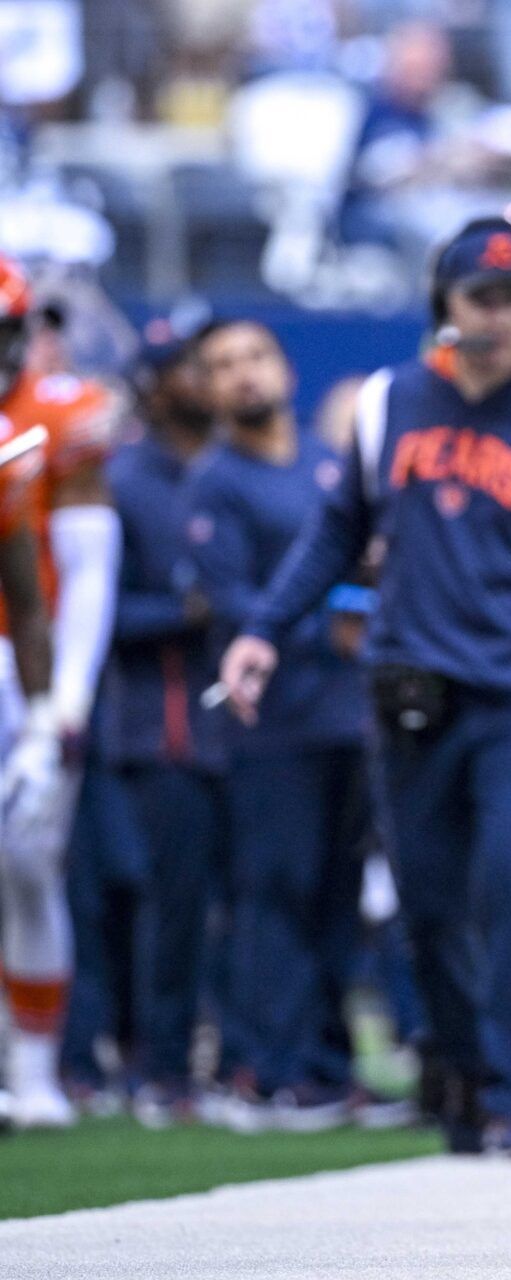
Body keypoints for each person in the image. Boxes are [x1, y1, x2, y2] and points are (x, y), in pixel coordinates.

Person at [219, 217, 511, 1158]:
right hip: (413, 689)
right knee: (425, 904)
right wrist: (263, 631)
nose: (498, 316)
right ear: (445, 304)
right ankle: (462, 1072)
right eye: (480, 297)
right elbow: (333, 534)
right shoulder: (390, 405)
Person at [189, 319, 371, 1130]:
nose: (243, 375)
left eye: (254, 357)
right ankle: (267, 1068)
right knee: (274, 892)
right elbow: (229, 604)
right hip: (271, 722)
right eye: (223, 365)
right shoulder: (213, 482)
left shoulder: (327, 465)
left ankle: (329, 1066)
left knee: (338, 896)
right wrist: (328, 625)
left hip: (346, 714)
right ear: (208, 389)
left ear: (285, 369)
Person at [77, 328, 227, 1125]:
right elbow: (97, 612)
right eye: (188, 369)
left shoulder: (232, 465)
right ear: (155, 384)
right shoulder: (125, 479)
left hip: (243, 723)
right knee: (164, 905)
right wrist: (185, 610)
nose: (203, 380)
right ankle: (156, 1064)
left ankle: (237, 1060)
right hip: (157, 721)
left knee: (253, 898)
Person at [0, 254, 120, 1129]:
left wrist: (59, 714)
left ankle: (36, 1073)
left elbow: (76, 577)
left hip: (18, 667)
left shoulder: (48, 426)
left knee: (30, 867)